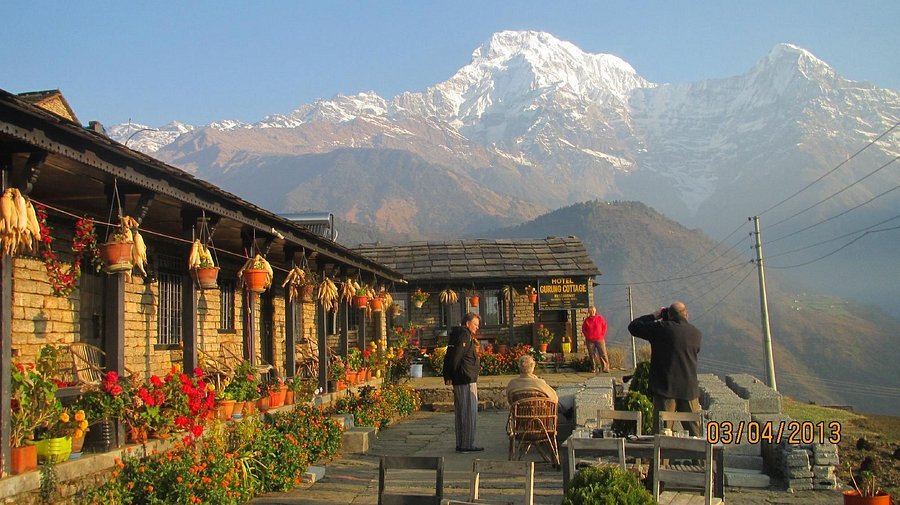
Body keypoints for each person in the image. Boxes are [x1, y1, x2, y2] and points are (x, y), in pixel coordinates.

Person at [627, 301, 702, 436]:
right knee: (696, 435)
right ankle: (700, 457)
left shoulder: (661, 328)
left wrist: (655, 316)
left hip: (665, 389)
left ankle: (663, 458)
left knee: (663, 435)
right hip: (689, 390)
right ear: (687, 315)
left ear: (668, 315)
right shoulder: (696, 333)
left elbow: (633, 327)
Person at [443, 312, 483, 453]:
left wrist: (447, 374)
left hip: (461, 378)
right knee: (468, 413)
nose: (477, 328)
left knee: (461, 412)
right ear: (467, 323)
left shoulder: (457, 334)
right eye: (475, 324)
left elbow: (449, 355)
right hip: (465, 379)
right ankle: (466, 444)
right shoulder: (464, 335)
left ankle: (461, 443)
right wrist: (449, 374)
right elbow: (455, 357)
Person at [581, 306, 609, 373]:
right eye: (590, 311)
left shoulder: (600, 318)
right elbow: (583, 329)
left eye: (593, 311)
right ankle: (594, 368)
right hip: (590, 340)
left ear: (595, 311)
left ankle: (605, 368)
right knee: (591, 354)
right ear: (589, 312)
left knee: (603, 353)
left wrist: (602, 335)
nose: (592, 312)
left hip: (600, 339)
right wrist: (587, 336)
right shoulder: (586, 321)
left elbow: (604, 326)